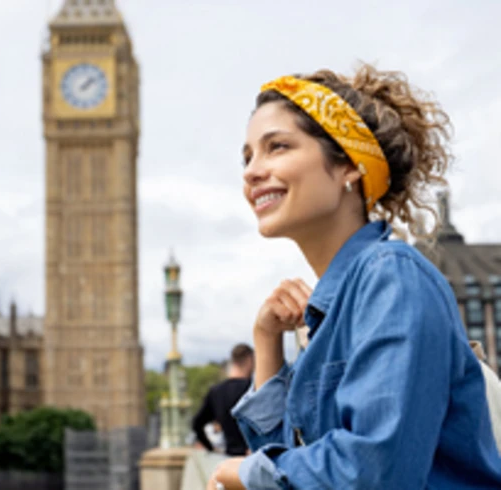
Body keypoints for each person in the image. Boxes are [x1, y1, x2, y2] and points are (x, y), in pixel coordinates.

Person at [208, 64, 501, 489]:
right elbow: (291, 460)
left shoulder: (393, 278)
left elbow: (374, 472)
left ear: (349, 165)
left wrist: (240, 472)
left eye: (278, 147)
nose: (251, 171)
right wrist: (266, 342)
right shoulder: (334, 309)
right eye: (248, 156)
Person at [193, 344, 254, 456]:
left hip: (229, 458)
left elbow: (197, 424)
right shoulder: (253, 388)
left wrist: (210, 448)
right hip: (253, 457)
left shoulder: (216, 392)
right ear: (250, 360)